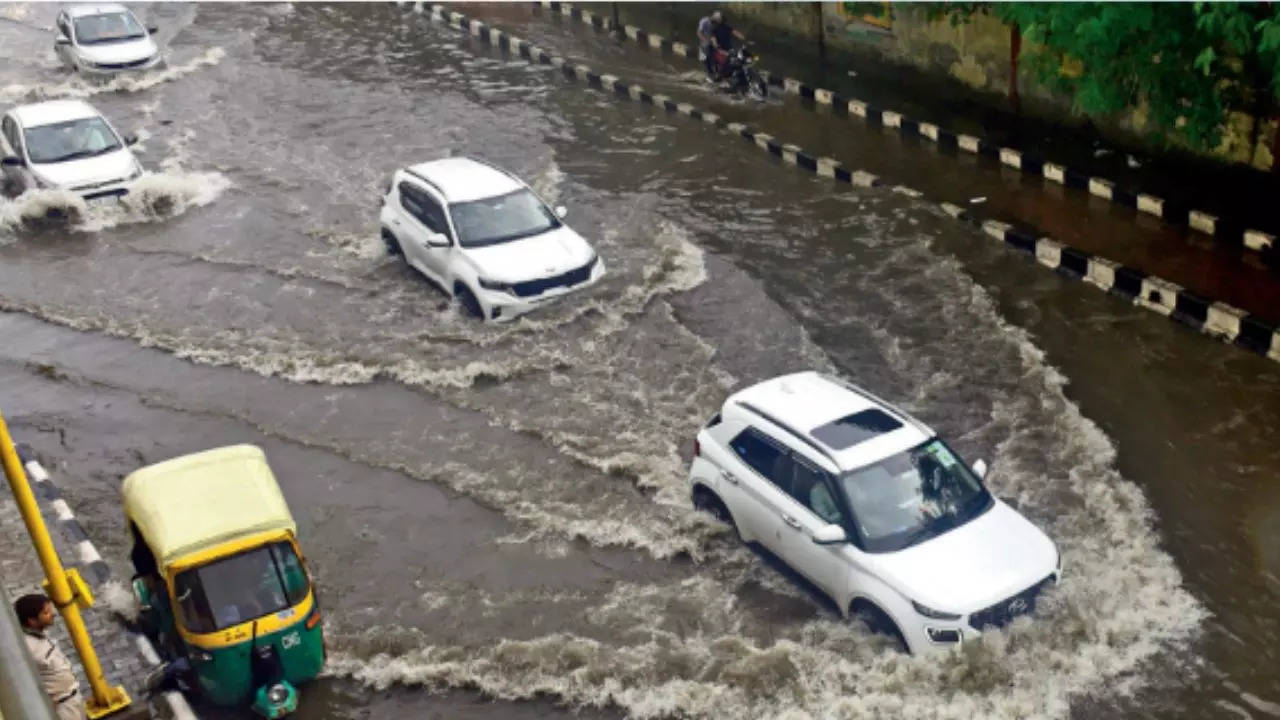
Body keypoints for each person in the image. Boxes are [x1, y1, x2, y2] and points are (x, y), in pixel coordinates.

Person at [15, 593, 85, 720]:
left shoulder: (40, 633)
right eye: (46, 613)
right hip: (63, 707)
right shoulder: (27, 647)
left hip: (74, 698)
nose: (52, 614)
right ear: (32, 620)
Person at [696, 11, 746, 81]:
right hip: (706, 43)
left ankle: (733, 74)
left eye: (720, 21)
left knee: (734, 58)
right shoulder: (705, 21)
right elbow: (700, 33)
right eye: (718, 21)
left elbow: (734, 31)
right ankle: (710, 74)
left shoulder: (722, 26)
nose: (718, 22)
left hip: (719, 45)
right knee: (706, 56)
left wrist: (743, 38)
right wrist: (707, 41)